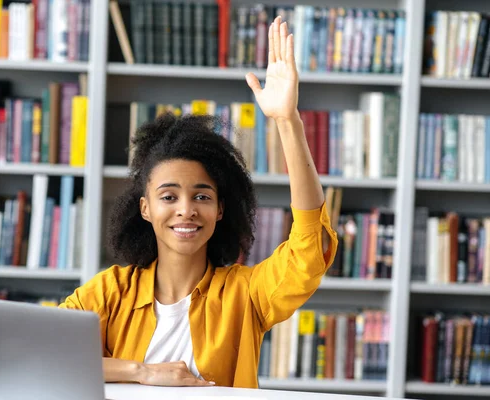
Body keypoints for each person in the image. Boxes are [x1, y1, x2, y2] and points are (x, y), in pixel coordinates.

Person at [59, 16, 338, 388]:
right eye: (168, 196)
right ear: (146, 209)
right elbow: (44, 352)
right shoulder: (110, 292)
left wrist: (288, 121)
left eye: (202, 196)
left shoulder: (245, 295)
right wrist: (140, 372)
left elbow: (311, 247)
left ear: (220, 209)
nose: (186, 210)